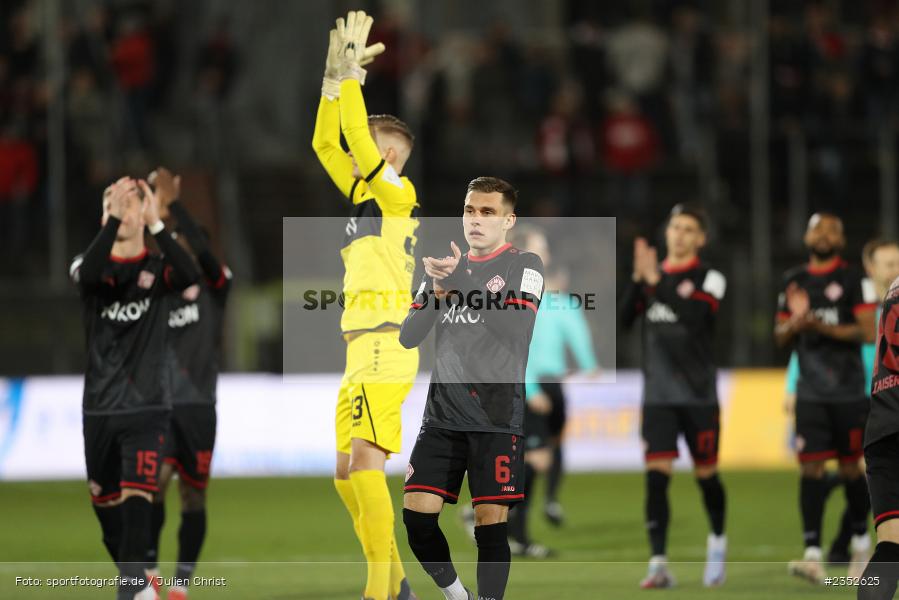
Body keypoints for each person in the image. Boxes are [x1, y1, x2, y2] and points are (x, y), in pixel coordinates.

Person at [311, 10, 419, 600]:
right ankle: (398, 583)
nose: (372, 154)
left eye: (383, 148)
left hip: (387, 343)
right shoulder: (363, 199)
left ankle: (379, 591)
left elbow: (351, 138)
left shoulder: (398, 196)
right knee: (343, 478)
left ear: (396, 158)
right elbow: (327, 141)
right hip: (360, 349)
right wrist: (332, 85)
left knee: (366, 467)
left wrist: (352, 78)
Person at [400, 177, 544, 600]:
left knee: (489, 524)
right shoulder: (442, 267)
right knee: (417, 521)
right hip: (442, 415)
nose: (475, 220)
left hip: (496, 416)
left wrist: (460, 280)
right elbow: (409, 335)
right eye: (469, 210)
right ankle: (457, 595)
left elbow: (517, 329)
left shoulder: (525, 264)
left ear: (508, 220)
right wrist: (436, 294)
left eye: (487, 212)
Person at [70, 177, 198, 599]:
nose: (122, 208)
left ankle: (130, 590)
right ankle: (140, 583)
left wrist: (157, 225)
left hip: (147, 409)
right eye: (112, 201)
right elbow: (87, 275)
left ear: (144, 213)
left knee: (138, 495)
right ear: (103, 214)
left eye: (130, 202)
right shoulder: (90, 265)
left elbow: (190, 274)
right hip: (100, 410)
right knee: (106, 509)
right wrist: (113, 221)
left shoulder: (158, 270)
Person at [619, 203, 728, 588]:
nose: (679, 234)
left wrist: (656, 281)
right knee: (656, 479)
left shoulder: (710, 277)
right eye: (675, 227)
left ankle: (717, 542)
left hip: (698, 396)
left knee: (706, 476)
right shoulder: (651, 276)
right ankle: (658, 563)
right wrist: (638, 279)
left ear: (700, 238)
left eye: (688, 229)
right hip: (659, 397)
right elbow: (624, 321)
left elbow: (695, 317)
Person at [775, 213, 878, 583]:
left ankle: (861, 547)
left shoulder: (856, 280)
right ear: (806, 235)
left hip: (849, 393)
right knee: (811, 470)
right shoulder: (792, 281)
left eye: (832, 229)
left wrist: (818, 325)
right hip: (811, 394)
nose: (824, 235)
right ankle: (813, 555)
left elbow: (867, 332)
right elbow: (780, 336)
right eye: (818, 228)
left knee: (852, 471)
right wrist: (794, 324)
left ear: (842, 238)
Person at [144, 168, 232, 600]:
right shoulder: (159, 295)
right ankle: (147, 572)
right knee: (153, 486)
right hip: (161, 406)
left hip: (199, 407)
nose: (179, 251)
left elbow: (199, 245)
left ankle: (179, 583)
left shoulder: (216, 287)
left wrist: (173, 204)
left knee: (193, 498)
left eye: (184, 245)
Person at [784, 238, 899, 568]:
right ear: (870, 268)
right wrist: (792, 386)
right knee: (863, 475)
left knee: (865, 476)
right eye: (887, 263)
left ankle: (841, 544)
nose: (894, 269)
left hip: (884, 403)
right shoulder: (856, 307)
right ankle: (848, 545)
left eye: (897, 262)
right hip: (853, 396)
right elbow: (811, 349)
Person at [507, 224, 599, 557]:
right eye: (540, 247)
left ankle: (508, 526)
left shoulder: (536, 294)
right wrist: (532, 390)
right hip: (525, 385)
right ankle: (502, 522)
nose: (546, 253)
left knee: (534, 458)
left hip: (539, 383)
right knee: (533, 458)